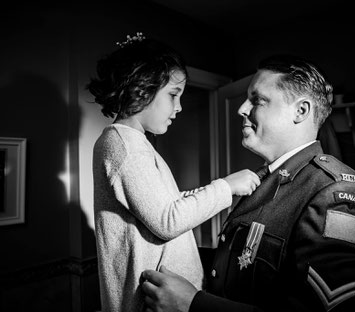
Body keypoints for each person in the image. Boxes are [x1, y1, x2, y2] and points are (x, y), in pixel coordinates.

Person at [140, 55, 355, 312]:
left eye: (257, 100)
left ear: (300, 111)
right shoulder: (268, 178)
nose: (241, 109)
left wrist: (193, 305)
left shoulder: (336, 195)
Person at [87, 33, 260, 312]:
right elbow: (168, 221)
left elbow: (167, 205)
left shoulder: (137, 144)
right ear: (141, 88)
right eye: (173, 94)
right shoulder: (123, 145)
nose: (179, 107)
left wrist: (222, 187)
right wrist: (225, 187)